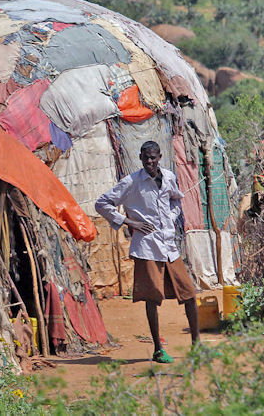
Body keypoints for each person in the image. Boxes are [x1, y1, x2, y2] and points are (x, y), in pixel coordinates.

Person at [95, 140, 199, 363]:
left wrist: (171, 217)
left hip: (169, 246)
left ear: (160, 157)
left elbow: (176, 200)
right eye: (146, 158)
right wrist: (129, 221)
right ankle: (158, 349)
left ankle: (197, 346)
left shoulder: (168, 177)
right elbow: (102, 203)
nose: (150, 162)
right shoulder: (131, 182)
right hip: (147, 247)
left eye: (153, 157)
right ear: (140, 158)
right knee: (152, 299)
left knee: (189, 294)